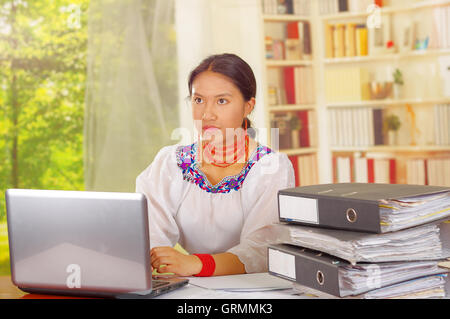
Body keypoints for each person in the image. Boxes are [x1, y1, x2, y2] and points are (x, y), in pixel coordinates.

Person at [136, 53, 295, 277]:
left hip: (251, 290)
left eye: (222, 101)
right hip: (191, 288)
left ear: (248, 106)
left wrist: (196, 264)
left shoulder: (270, 168)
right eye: (198, 100)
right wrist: (163, 264)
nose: (207, 114)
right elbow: (149, 237)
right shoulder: (170, 163)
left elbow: (261, 251)